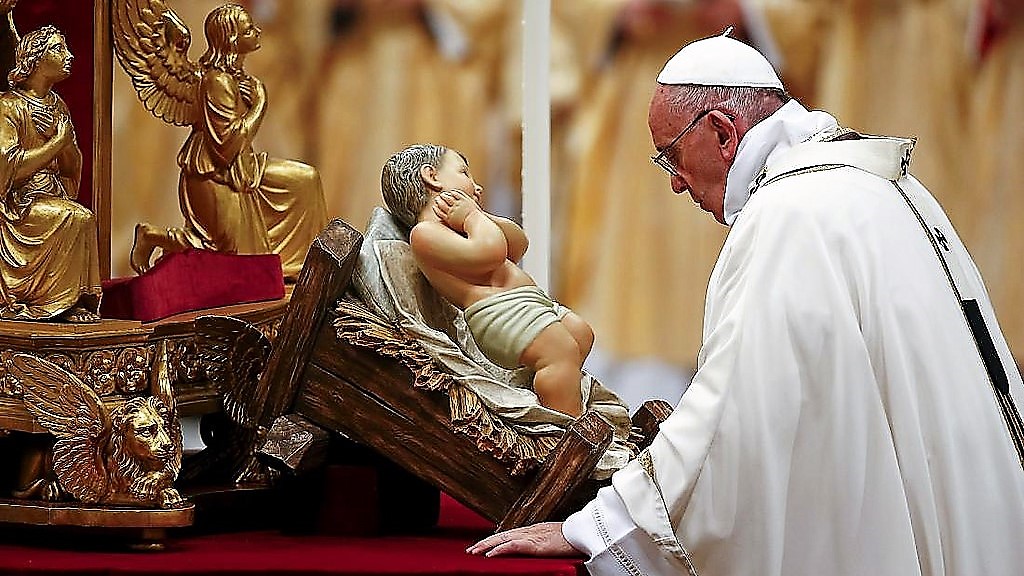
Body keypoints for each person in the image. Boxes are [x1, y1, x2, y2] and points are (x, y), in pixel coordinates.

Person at [469, 31, 1024, 575]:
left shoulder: (789, 216)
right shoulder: (871, 183)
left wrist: (600, 526)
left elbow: (729, 417)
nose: (676, 184)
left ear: (721, 131)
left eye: (671, 156)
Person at [381, 143, 593, 417]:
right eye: (464, 173)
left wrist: (478, 215)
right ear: (432, 177)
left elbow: (518, 244)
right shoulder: (425, 233)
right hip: (499, 313)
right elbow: (490, 253)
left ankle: (554, 391)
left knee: (580, 333)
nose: (477, 186)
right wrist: (472, 216)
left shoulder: (466, 224)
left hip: (527, 303)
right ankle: (562, 422)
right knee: (560, 352)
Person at [126, 3, 328, 279]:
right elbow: (226, 147)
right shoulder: (216, 82)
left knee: (306, 180)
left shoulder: (236, 76)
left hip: (241, 169)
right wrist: (260, 105)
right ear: (233, 39)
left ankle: (304, 268)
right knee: (228, 253)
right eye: (248, 30)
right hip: (212, 175)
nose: (257, 31)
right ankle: (153, 236)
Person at [0, 25, 101, 322]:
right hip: (18, 205)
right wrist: (56, 143)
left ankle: (67, 301)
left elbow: (72, 168)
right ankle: (53, 301)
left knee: (80, 216)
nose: (69, 56)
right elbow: (9, 169)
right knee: (78, 217)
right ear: (35, 60)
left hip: (51, 194)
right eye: (58, 49)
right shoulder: (9, 106)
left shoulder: (58, 106)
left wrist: (64, 143)